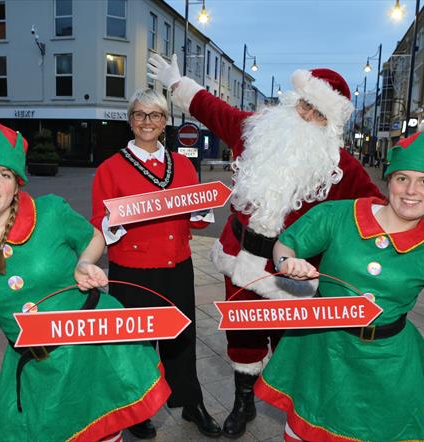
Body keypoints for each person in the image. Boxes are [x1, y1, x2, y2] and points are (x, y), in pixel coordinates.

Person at [148, 53, 384, 437]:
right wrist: (178, 84)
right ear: (294, 102)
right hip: (240, 259)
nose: (306, 117)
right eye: (305, 105)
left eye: (318, 114)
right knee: (242, 335)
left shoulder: (341, 167)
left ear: (331, 124)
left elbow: (378, 209)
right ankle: (244, 402)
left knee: (291, 340)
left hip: (293, 272)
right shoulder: (255, 130)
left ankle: (291, 398)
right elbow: (214, 109)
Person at [0, 120, 170, 442]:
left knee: (106, 431)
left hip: (98, 342)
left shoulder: (49, 212)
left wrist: (83, 262)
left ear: (17, 183)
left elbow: (93, 237)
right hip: (39, 366)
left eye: (5, 174)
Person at [256, 126, 424, 441]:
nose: (411, 191)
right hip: (323, 352)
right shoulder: (340, 215)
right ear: (389, 181)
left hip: (388, 364)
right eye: (402, 178)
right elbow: (287, 244)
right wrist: (287, 263)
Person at [91, 89, 221, 439]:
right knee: (138, 343)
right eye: (139, 114)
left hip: (177, 265)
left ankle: (191, 403)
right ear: (130, 120)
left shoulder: (182, 165)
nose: (147, 122)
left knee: (182, 337)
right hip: (131, 271)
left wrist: (201, 208)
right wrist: (114, 222)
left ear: (165, 122)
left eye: (155, 115)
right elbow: (99, 224)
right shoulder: (110, 168)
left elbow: (193, 219)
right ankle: (139, 409)